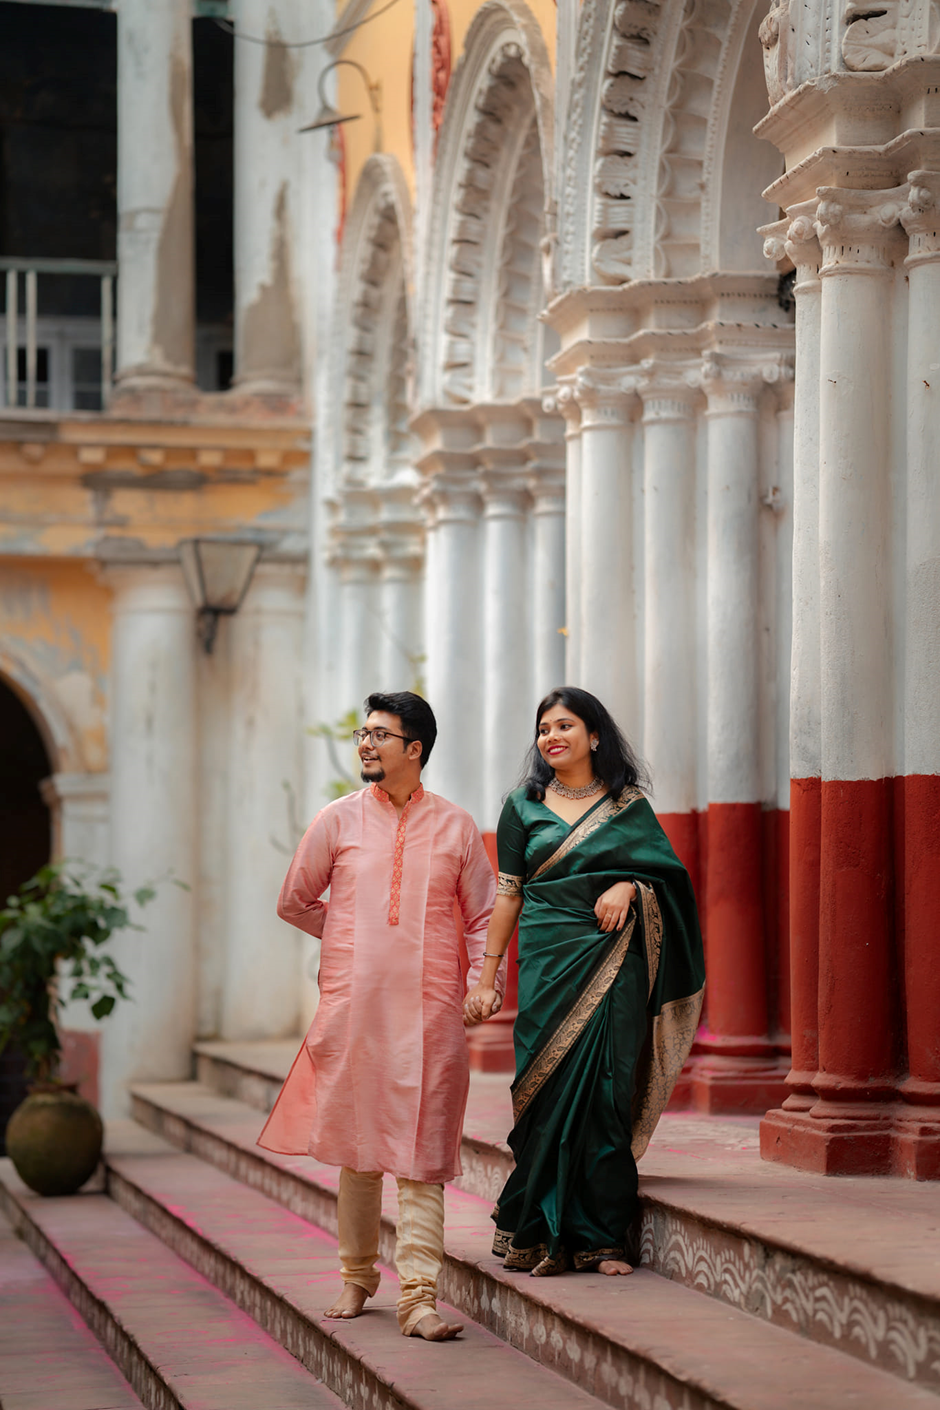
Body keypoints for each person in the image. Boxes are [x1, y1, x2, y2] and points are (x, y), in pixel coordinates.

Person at [259, 691, 498, 1340]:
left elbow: (482, 918)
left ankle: (420, 1297)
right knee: (359, 1152)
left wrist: (482, 984)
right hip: (355, 1012)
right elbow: (294, 900)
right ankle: (357, 1275)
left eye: (380, 735)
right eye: (363, 734)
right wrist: (349, 941)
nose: (365, 744)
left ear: (413, 749)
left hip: (430, 1017)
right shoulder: (337, 821)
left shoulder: (455, 828)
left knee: (423, 1153)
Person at [464, 686, 705, 1278]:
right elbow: (509, 893)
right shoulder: (522, 805)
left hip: (615, 958)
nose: (551, 737)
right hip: (548, 961)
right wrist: (486, 976)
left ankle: (600, 1239)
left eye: (565, 725)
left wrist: (632, 886)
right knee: (542, 1088)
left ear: (595, 735)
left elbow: (669, 885)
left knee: (604, 1088)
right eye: (543, 728)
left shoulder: (629, 807)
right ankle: (531, 1227)